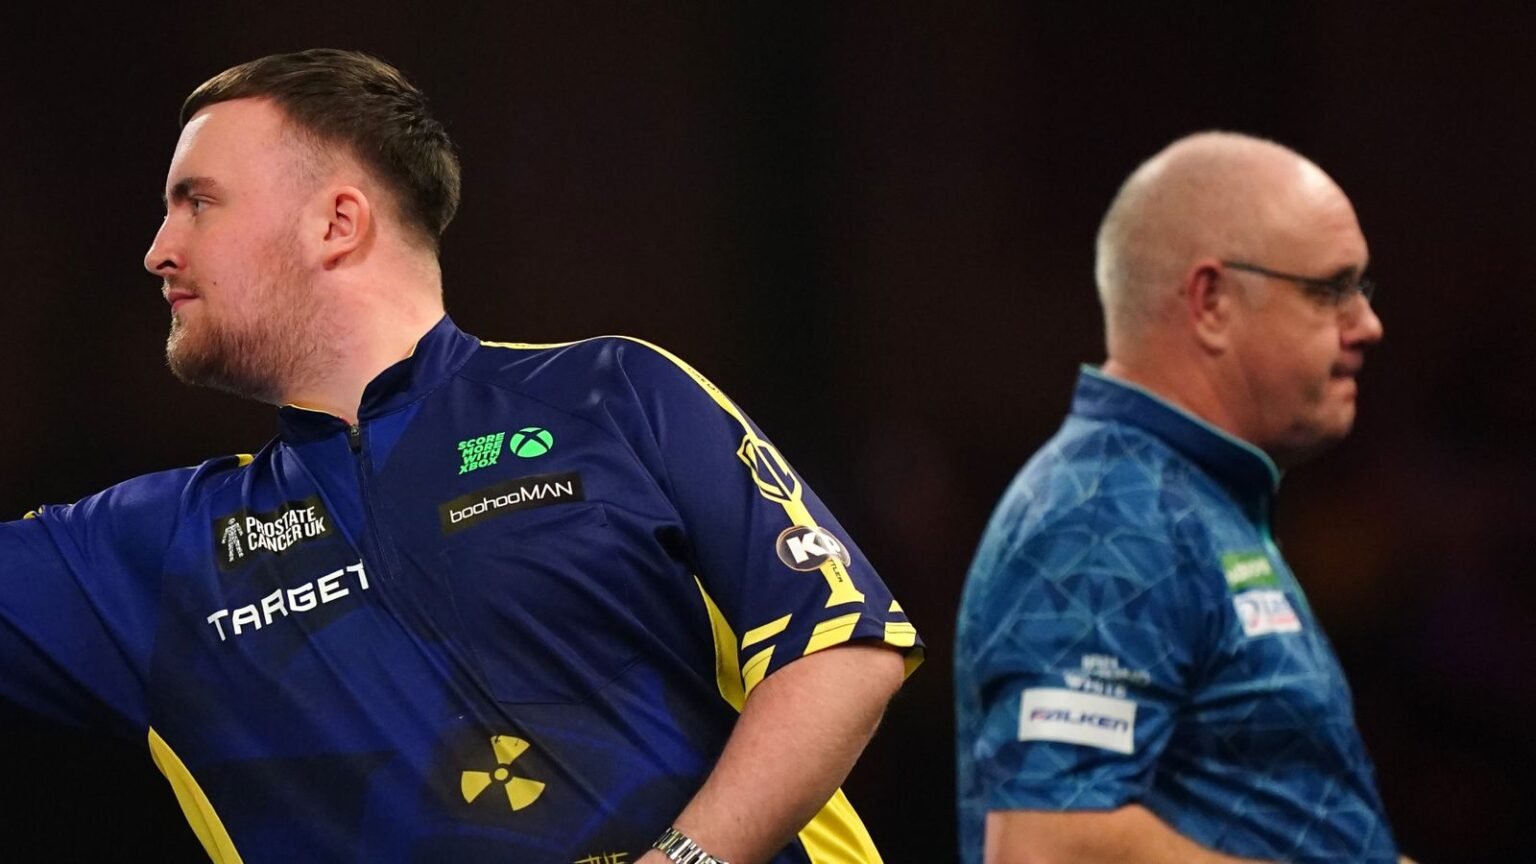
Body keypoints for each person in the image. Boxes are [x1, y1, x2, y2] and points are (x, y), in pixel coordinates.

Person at [0, 49, 921, 864]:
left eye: (197, 203)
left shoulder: (611, 395)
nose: (159, 252)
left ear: (337, 223)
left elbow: (844, 647)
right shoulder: (151, 555)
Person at [954, 132, 1409, 863]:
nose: (1367, 325)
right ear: (1211, 302)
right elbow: (1049, 845)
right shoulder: (1107, 513)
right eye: (1331, 289)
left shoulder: (1183, 500)